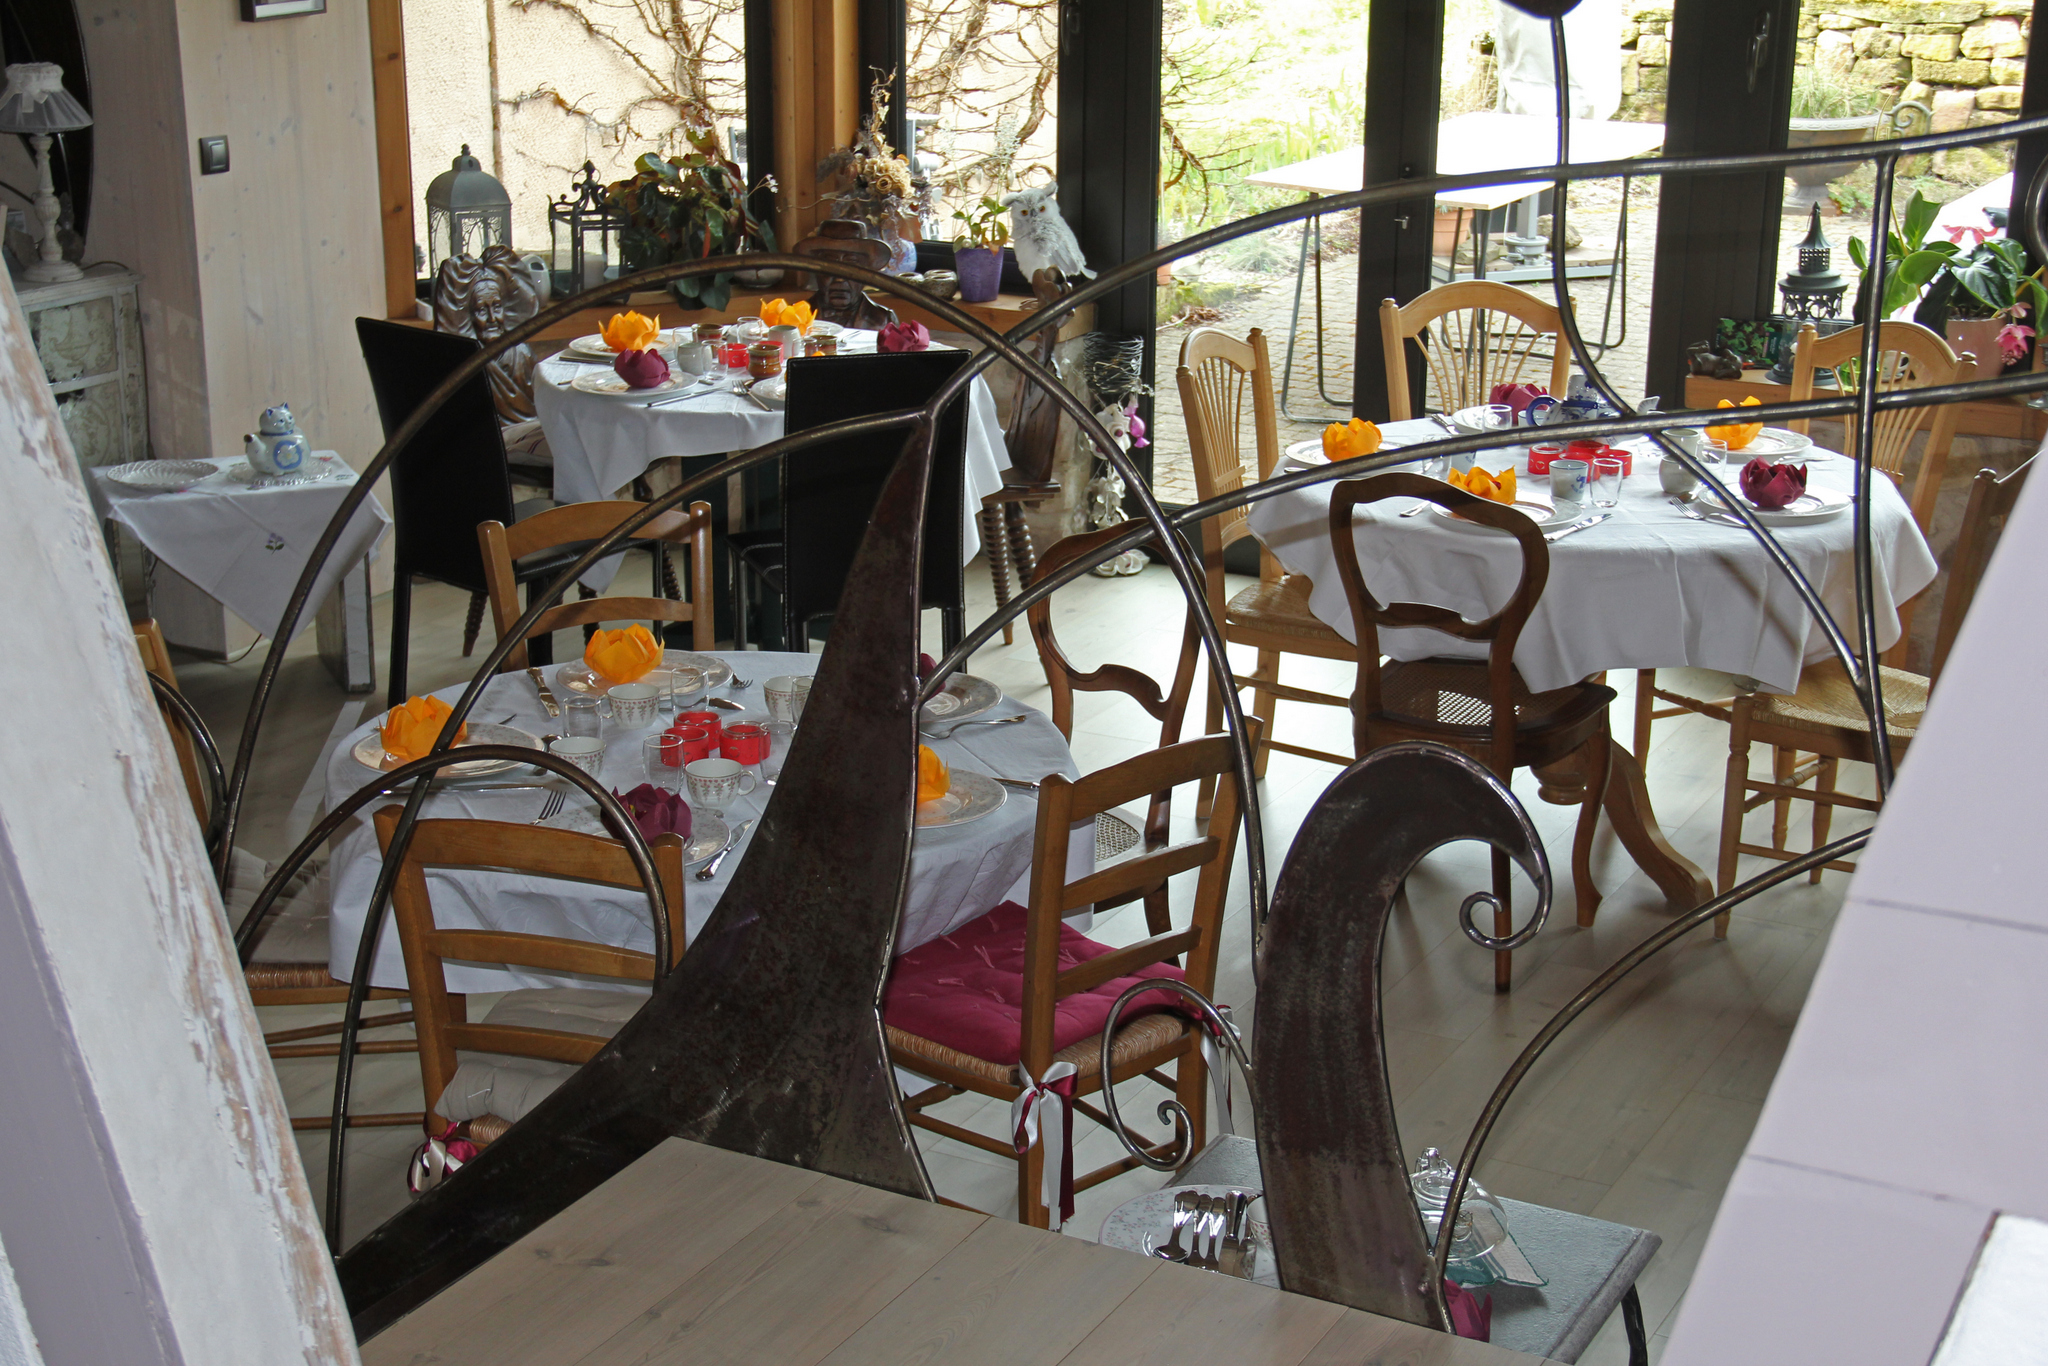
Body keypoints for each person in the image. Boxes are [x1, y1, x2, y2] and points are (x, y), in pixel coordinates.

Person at [433, 245, 551, 472]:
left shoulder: (521, 354)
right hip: (478, 448)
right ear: (468, 316)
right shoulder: (465, 365)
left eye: (497, 307)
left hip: (523, 442)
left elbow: (536, 411)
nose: (491, 318)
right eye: (481, 310)